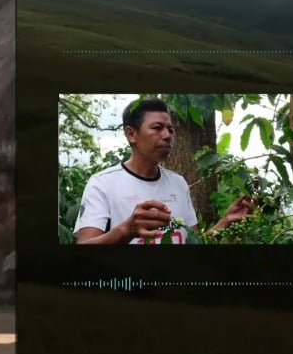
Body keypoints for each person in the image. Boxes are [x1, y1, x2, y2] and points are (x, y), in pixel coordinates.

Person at [75, 97, 253, 245]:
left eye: (170, 129)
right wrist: (126, 230)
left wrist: (226, 222)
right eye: (157, 128)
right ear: (131, 134)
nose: (168, 136)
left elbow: (194, 242)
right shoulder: (102, 183)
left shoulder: (178, 183)